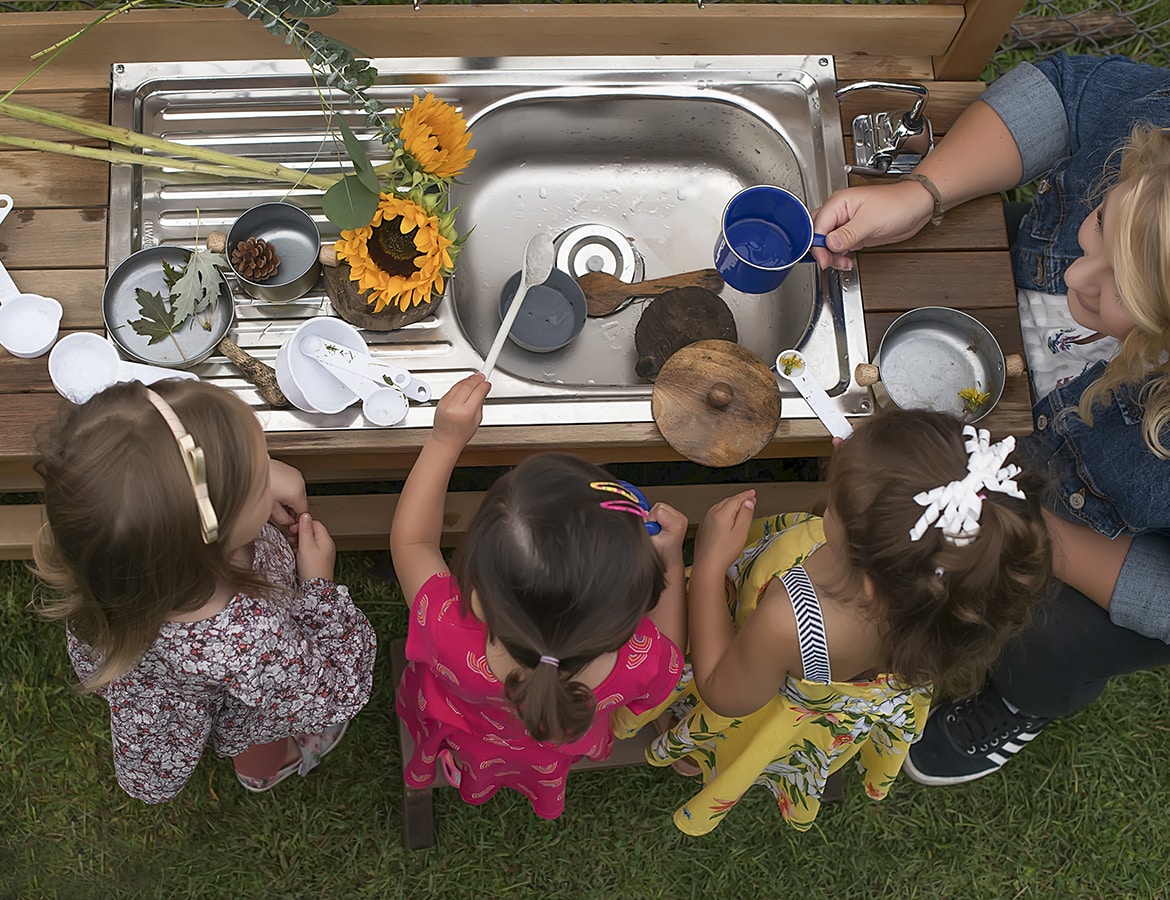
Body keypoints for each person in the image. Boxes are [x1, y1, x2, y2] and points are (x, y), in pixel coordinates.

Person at [812, 52, 1170, 785]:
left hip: (1084, 527)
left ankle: (1019, 701)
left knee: (1044, 640)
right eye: (1098, 226)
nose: (1075, 274)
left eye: (1109, 301)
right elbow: (1068, 94)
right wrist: (922, 191)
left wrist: (1030, 533)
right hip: (1001, 374)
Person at [644, 409, 1052, 835]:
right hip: (827, 694)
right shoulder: (939, 602)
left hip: (743, 679)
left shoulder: (791, 619)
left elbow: (722, 692)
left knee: (710, 722)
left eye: (838, 504)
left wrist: (709, 566)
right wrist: (869, 469)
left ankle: (692, 754)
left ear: (869, 577)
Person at [33, 380, 377, 802]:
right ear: (216, 530)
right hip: (244, 695)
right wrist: (319, 588)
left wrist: (248, 485)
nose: (268, 476)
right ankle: (265, 770)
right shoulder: (250, 641)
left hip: (177, 667)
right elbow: (336, 691)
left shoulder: (111, 547)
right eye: (257, 479)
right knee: (255, 731)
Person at [391, 373, 686, 819]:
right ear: (631, 606)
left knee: (469, 752)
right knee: (537, 763)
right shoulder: (641, 661)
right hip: (550, 750)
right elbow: (670, 652)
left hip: (469, 732)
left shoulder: (444, 622)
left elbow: (413, 544)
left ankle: (456, 766)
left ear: (478, 600)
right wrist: (674, 561)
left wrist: (444, 440)